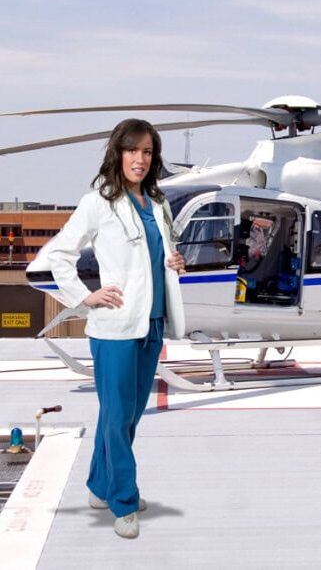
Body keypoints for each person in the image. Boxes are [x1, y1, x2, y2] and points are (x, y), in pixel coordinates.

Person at [29, 118, 186, 539]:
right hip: (115, 327)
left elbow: (161, 255)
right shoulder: (98, 201)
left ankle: (100, 486)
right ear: (118, 153)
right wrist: (85, 297)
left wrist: (174, 262)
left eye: (148, 152)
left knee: (128, 415)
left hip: (152, 322)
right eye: (132, 150)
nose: (140, 159)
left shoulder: (158, 204)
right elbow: (59, 254)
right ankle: (123, 500)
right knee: (117, 417)